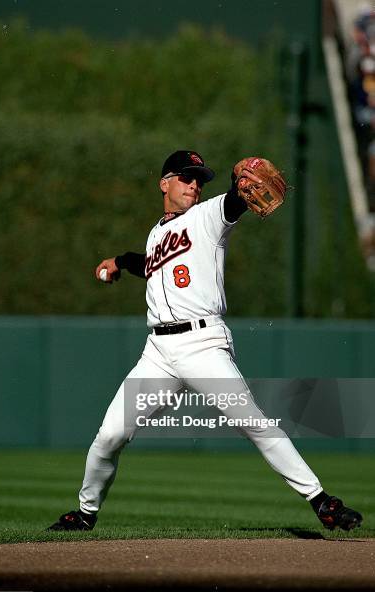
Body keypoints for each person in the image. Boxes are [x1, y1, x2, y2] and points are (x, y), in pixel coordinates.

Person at [48, 150, 362, 532]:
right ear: (165, 183)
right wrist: (117, 260)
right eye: (186, 177)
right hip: (159, 355)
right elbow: (145, 262)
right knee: (110, 434)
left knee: (253, 422)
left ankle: (321, 501)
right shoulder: (158, 232)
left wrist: (238, 187)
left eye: (199, 179)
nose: (194, 184)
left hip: (203, 347)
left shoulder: (208, 216)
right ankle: (84, 514)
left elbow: (232, 204)